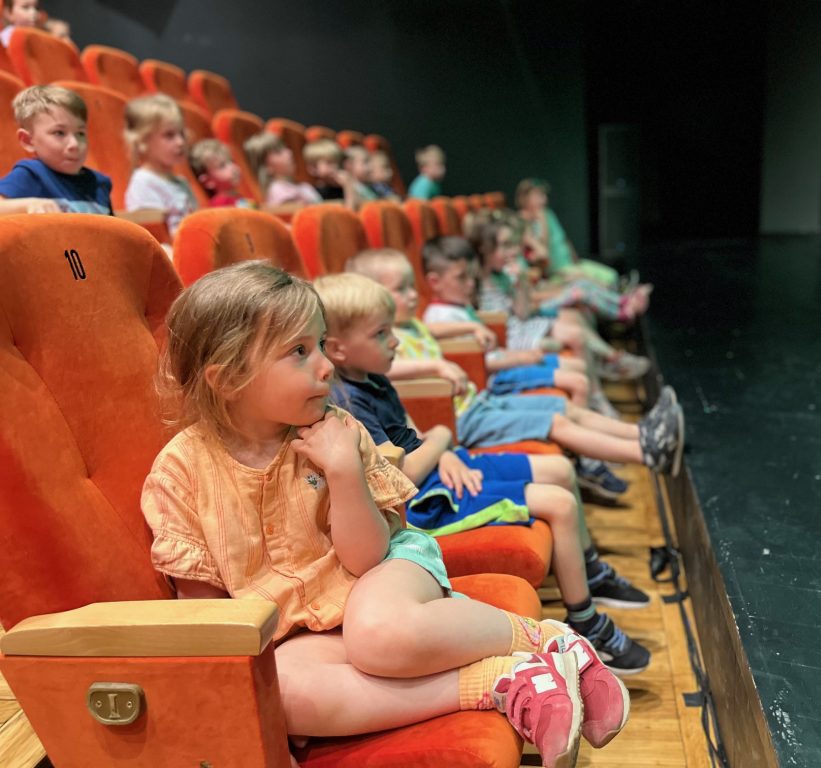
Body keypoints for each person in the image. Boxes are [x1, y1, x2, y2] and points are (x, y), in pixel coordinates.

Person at [141, 260, 630, 767]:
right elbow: (207, 617)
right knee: (281, 694)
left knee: (377, 635)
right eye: (299, 352)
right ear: (228, 378)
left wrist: (343, 471)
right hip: (297, 628)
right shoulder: (180, 473)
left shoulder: (337, 430)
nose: (325, 366)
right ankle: (504, 681)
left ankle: (547, 640)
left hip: (382, 572)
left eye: (321, 343)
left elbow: (367, 556)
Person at [316, 271, 653, 674]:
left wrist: (443, 450)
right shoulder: (348, 405)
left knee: (560, 469)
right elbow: (400, 478)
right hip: (426, 501)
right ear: (337, 349)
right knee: (560, 504)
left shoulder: (375, 377)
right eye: (381, 334)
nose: (396, 342)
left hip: (441, 468)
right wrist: (443, 441)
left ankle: (591, 572)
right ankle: (586, 620)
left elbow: (412, 436)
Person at [345, 249, 685, 482]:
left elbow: (432, 327)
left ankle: (642, 434)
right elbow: (391, 370)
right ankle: (645, 453)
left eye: (410, 287)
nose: (411, 295)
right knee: (557, 420)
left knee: (565, 408)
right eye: (399, 289)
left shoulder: (408, 325)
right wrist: (436, 365)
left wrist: (470, 328)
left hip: (478, 401)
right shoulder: (383, 346)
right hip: (462, 417)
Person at [470, 212, 652, 383]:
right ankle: (612, 355)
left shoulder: (502, 274)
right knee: (578, 306)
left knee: (579, 303)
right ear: (485, 248)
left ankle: (611, 354)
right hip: (515, 336)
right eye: (505, 245)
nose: (513, 250)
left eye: (512, 243)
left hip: (523, 325)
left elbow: (522, 312)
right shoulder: (475, 281)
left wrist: (522, 281)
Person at [419, 235, 592, 406]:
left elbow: (490, 351)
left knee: (578, 366)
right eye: (461, 277)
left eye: (471, 276)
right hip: (496, 379)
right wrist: (520, 358)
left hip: (504, 367)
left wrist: (517, 356)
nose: (471, 283)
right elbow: (472, 363)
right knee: (578, 383)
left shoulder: (460, 306)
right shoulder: (440, 317)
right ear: (435, 282)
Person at [0, 85, 112, 215]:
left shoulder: (99, 183)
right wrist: (28, 204)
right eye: (59, 133)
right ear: (28, 140)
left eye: (80, 133)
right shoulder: (31, 174)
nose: (75, 144)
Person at [517, 178, 635, 296]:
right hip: (557, 271)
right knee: (595, 281)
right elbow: (543, 251)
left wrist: (574, 259)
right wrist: (542, 220)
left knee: (611, 275)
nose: (544, 200)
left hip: (569, 264)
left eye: (543, 195)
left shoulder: (547, 214)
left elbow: (564, 239)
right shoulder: (523, 220)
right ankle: (622, 297)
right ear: (524, 198)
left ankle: (624, 294)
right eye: (538, 195)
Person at [123, 94, 198, 238]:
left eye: (181, 133)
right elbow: (155, 237)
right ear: (143, 141)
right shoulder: (143, 182)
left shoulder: (182, 182)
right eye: (169, 135)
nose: (180, 142)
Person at [244, 131, 322, 207]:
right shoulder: (277, 190)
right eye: (278, 152)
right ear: (266, 167)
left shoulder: (304, 186)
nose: (289, 152)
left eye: (285, 147)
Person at [188, 138, 254, 208]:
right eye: (222, 165)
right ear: (208, 181)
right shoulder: (219, 204)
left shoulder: (237, 196)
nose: (232, 167)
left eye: (231, 161)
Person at [303, 138, 358, 208]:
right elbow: (348, 212)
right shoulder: (312, 192)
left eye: (336, 162)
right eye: (329, 163)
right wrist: (348, 188)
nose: (335, 167)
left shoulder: (341, 186)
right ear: (313, 168)